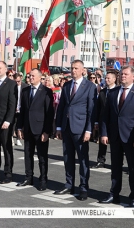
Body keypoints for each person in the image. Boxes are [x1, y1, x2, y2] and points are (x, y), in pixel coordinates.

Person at [99, 66, 134, 207]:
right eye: (121, 74)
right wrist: (104, 133)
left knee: (133, 169)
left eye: (125, 74)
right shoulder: (113, 92)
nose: (122, 76)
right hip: (114, 137)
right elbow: (105, 115)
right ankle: (114, 194)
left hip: (132, 138)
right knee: (115, 168)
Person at [54, 60, 97, 201]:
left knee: (83, 159)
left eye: (76, 68)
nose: (73, 71)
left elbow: (91, 110)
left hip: (80, 128)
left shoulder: (90, 86)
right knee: (68, 158)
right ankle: (69, 184)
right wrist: (59, 127)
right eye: (72, 68)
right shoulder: (66, 85)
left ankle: (84, 187)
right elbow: (61, 108)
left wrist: (88, 130)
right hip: (66, 127)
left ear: (83, 70)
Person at [16, 69, 54, 191]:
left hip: (40, 129)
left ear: (39, 77)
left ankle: (43, 179)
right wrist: (19, 127)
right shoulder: (26, 90)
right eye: (29, 76)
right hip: (27, 128)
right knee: (28, 154)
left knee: (42, 157)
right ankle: (28, 177)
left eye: (32, 76)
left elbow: (49, 113)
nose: (30, 78)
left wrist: (47, 131)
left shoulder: (46, 91)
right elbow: (22, 111)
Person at [92, 71, 117, 169]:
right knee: (102, 141)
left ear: (114, 79)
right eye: (105, 78)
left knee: (115, 143)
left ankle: (116, 162)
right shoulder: (102, 92)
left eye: (108, 78)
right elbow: (98, 108)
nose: (106, 80)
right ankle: (100, 160)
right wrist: (96, 121)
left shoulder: (118, 90)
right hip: (103, 121)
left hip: (114, 121)